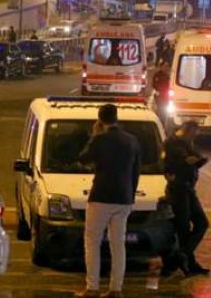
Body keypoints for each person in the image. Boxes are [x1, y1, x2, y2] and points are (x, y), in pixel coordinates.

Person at [76, 105, 141, 298]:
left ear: (100, 119)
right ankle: (116, 288)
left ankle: (92, 287)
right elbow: (135, 172)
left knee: (92, 241)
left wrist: (94, 136)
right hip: (124, 198)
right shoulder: (132, 140)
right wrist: (131, 195)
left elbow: (83, 158)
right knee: (118, 244)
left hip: (101, 197)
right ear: (116, 117)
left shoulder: (101, 140)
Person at [162, 122, 210, 276]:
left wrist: (198, 161)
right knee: (183, 228)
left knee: (201, 223)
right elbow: (168, 165)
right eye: (193, 134)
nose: (194, 137)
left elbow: (196, 159)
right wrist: (185, 162)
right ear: (186, 131)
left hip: (188, 189)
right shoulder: (171, 143)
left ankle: (183, 255)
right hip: (178, 190)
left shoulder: (187, 143)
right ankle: (187, 262)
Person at [152, 60, 171, 125]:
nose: (166, 67)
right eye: (165, 66)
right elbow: (154, 84)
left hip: (166, 97)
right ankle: (159, 123)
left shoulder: (168, 75)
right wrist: (159, 91)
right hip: (159, 97)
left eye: (167, 66)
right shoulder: (157, 75)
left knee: (165, 112)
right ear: (161, 66)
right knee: (160, 111)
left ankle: (164, 123)